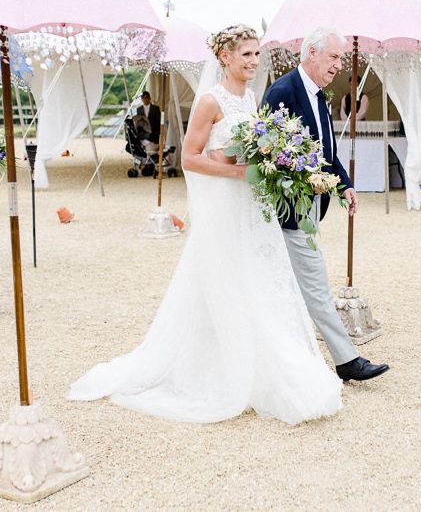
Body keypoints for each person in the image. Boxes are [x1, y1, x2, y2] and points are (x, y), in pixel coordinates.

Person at [69, 25, 342, 424]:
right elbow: (190, 159)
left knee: (258, 279)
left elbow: (250, 151)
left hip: (253, 206)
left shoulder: (250, 99)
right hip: (226, 204)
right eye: (246, 54)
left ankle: (261, 361)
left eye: (256, 54)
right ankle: (224, 367)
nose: (253, 61)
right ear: (225, 58)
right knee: (225, 278)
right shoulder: (210, 101)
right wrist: (238, 175)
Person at [263, 28, 389, 382]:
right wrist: (306, 185)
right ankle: (347, 359)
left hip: (311, 206)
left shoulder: (318, 94)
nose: (339, 65)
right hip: (290, 209)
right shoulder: (282, 92)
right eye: (334, 57)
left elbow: (324, 153)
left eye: (341, 58)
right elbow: (268, 154)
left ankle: (285, 354)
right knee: (316, 284)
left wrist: (344, 186)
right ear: (312, 53)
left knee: (291, 286)